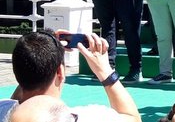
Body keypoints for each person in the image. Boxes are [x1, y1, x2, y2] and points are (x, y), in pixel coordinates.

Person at [7, 31, 141, 122]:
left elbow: (12, 103)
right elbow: (132, 118)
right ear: (60, 72)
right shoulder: (89, 117)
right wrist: (105, 71)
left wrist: (36, 56)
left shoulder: (4, 111)